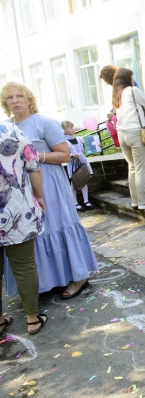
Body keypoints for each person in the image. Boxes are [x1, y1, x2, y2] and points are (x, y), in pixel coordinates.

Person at [1, 82, 98, 300]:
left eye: (19, 96)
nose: (15, 100)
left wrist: (35, 156)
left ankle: (79, 276)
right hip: (21, 188)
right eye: (9, 97)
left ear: (29, 99)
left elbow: (64, 155)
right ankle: (47, 280)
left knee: (57, 224)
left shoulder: (44, 122)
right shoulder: (5, 127)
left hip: (49, 182)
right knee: (34, 232)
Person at [0, 119, 48, 335]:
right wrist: (39, 196)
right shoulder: (11, 131)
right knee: (25, 266)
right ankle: (32, 318)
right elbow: (33, 167)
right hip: (16, 211)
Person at [100, 65, 145, 188]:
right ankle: (142, 197)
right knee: (137, 165)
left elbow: (136, 102)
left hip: (128, 129)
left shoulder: (126, 88)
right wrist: (114, 111)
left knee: (136, 165)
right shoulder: (122, 88)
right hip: (131, 129)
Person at [112, 68, 145, 211]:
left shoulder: (117, 94)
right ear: (128, 78)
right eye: (132, 76)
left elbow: (135, 107)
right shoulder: (133, 90)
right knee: (140, 169)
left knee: (132, 167)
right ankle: (143, 203)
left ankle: (135, 201)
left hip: (122, 133)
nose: (133, 79)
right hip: (135, 133)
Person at [61, 120, 94, 212]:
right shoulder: (65, 142)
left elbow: (84, 149)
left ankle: (86, 201)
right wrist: (72, 155)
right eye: (69, 127)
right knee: (73, 182)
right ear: (64, 130)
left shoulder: (79, 139)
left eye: (72, 126)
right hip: (73, 164)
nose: (72, 129)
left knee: (84, 180)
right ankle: (75, 203)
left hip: (81, 162)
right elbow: (64, 154)